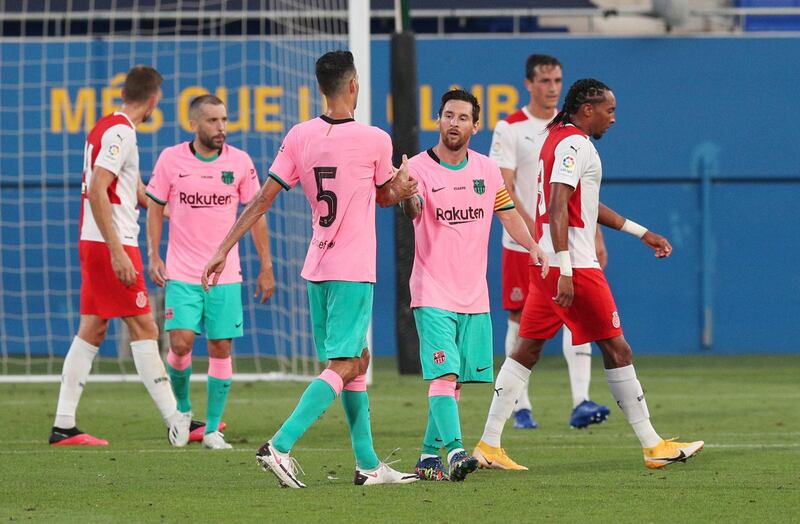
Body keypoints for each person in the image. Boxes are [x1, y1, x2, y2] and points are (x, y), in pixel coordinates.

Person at [202, 50, 418, 487]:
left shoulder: (299, 136)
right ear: (353, 85)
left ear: (320, 88)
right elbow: (385, 196)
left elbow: (263, 198)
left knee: (357, 359)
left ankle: (368, 464)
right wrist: (405, 187)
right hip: (353, 267)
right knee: (344, 364)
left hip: (317, 265)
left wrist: (224, 246)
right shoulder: (375, 138)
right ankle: (279, 447)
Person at [473, 78, 704, 470]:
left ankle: (488, 444)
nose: (614, 119)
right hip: (574, 267)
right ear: (587, 109)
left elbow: (585, 203)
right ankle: (652, 445)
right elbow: (560, 204)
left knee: (526, 350)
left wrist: (640, 232)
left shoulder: (555, 137)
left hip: (544, 261)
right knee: (618, 349)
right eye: (609, 110)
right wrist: (565, 268)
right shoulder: (575, 143)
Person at [399, 89, 549, 482]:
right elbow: (411, 210)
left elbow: (507, 213)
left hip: (473, 295)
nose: (454, 122)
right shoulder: (418, 167)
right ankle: (456, 452)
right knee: (444, 376)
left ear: (474, 126)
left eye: (463, 117)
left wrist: (532, 245)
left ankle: (428, 458)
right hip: (432, 291)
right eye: (448, 115)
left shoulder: (485, 169)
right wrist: (408, 196)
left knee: (456, 382)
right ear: (438, 119)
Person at [49, 65, 190, 447]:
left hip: (95, 240)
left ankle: (63, 425)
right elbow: (98, 190)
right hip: (112, 242)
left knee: (92, 327)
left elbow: (129, 188)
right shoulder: (121, 131)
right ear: (154, 100)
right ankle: (175, 420)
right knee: (145, 327)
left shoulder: (107, 126)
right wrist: (116, 252)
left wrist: (169, 211)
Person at [145, 94, 275, 450]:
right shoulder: (171, 160)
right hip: (183, 271)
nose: (221, 128)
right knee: (181, 341)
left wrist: (266, 264)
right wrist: (154, 255)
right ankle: (183, 415)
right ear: (194, 124)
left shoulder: (240, 162)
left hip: (225, 274)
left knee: (220, 347)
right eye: (213, 121)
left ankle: (213, 429)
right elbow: (155, 208)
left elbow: (256, 213)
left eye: (224, 120)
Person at [489, 54, 610, 431]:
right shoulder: (510, 128)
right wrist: (534, 237)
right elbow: (504, 188)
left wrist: (596, 234)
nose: (552, 86)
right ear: (528, 84)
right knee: (520, 320)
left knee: (581, 316)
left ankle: (581, 401)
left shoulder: (569, 130)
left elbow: (581, 196)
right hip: (522, 244)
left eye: (557, 79)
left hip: (568, 242)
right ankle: (520, 406)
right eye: (544, 80)